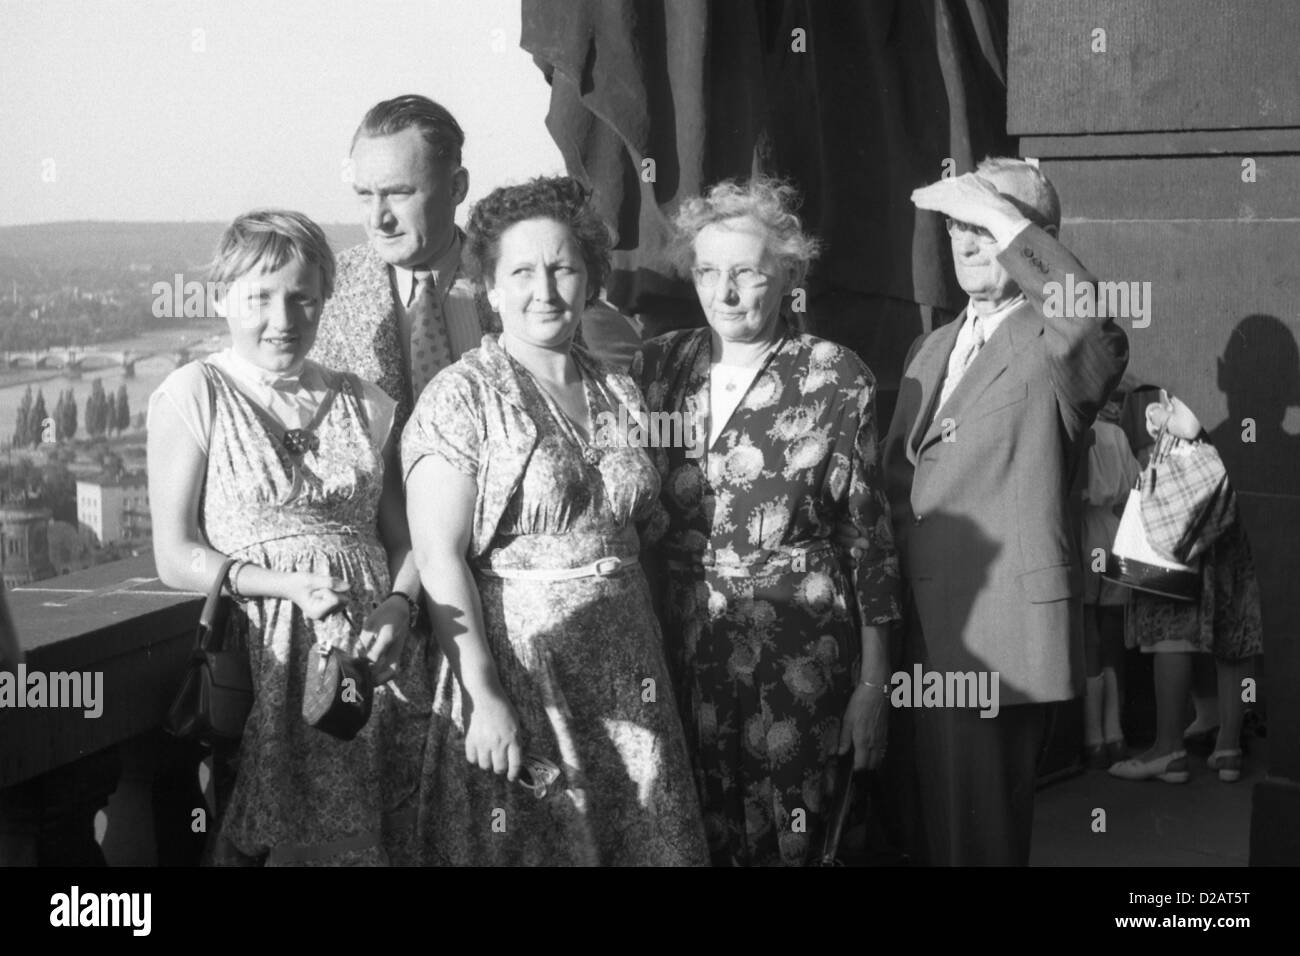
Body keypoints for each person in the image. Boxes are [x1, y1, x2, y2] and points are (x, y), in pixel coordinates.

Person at [402, 176, 708, 866]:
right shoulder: (462, 397)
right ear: (489, 286)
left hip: (630, 667)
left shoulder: (617, 387)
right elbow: (439, 557)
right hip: (525, 675)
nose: (545, 289)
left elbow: (648, 533)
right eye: (522, 271)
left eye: (564, 267)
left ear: (590, 277)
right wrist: (483, 696)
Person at [632, 177, 902, 867]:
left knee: (801, 836)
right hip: (687, 645)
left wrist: (874, 688)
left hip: (800, 648)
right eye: (708, 272)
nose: (725, 293)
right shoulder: (657, 367)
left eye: (746, 273)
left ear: (787, 275)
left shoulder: (836, 376)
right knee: (697, 829)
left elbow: (868, 542)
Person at [148, 209, 431, 865]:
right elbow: (175, 555)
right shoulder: (196, 393)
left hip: (372, 664)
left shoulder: (366, 401)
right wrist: (289, 587)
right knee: (270, 840)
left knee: (385, 842)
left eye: (304, 298)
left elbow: (403, 540)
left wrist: (399, 604)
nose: (284, 319)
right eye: (260, 298)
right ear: (222, 298)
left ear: (325, 300)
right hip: (271, 664)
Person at [880, 158, 1129, 865]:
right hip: (918, 634)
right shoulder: (928, 349)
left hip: (997, 637)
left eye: (983, 226)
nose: (965, 241)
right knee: (923, 835)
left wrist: (1004, 221)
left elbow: (1088, 329)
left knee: (977, 844)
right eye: (956, 224)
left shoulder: (1055, 343)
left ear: (1031, 237)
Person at [313, 94, 641, 435]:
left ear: (457, 187)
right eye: (365, 195)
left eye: (398, 193)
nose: (378, 219)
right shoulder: (322, 294)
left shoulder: (537, 285)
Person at [1109, 395, 1262, 784]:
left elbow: (1191, 423)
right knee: (1233, 623)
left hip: (1187, 495)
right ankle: (1228, 747)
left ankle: (1168, 749)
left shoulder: (1189, 344)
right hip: (1233, 486)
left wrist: (1160, 414)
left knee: (1169, 621)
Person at [1078, 395, 1139, 768]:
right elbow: (1134, 484)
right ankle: (1115, 732)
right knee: (1112, 627)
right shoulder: (1117, 434)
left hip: (1085, 530)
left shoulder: (1081, 432)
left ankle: (1092, 737)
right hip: (1115, 534)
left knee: (1088, 625)